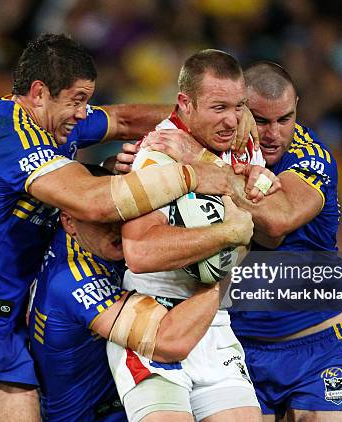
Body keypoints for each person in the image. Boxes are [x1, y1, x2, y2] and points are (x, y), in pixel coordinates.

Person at [0, 34, 260, 421]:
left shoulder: (57, 124)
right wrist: (192, 173)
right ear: (39, 94)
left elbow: (124, 119)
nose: (85, 113)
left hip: (4, 329)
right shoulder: (8, 135)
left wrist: (208, 116)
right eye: (78, 100)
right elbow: (93, 202)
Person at [123, 61, 342, 421]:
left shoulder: (310, 156)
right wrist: (134, 161)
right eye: (260, 119)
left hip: (319, 347)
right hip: (241, 346)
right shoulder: (218, 142)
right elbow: (142, 120)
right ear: (240, 109)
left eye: (285, 119)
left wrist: (200, 166)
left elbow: (275, 224)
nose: (273, 133)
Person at [107, 50, 280, 422]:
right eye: (219, 107)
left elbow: (270, 221)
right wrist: (224, 235)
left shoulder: (241, 143)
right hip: (154, 321)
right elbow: (140, 251)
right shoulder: (156, 156)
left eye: (239, 107)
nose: (232, 120)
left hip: (213, 322)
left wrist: (214, 166)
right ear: (185, 103)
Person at [29, 164, 254, 421]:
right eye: (104, 220)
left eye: (121, 215)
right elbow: (169, 343)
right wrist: (221, 269)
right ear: (69, 222)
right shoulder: (73, 281)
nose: (116, 228)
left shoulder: (87, 239)